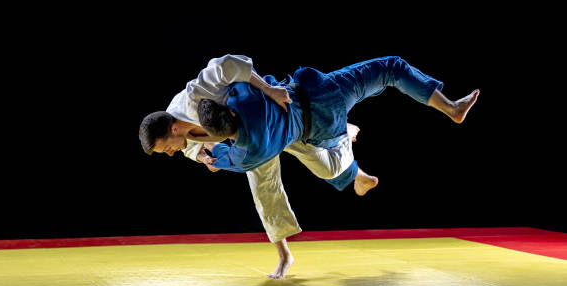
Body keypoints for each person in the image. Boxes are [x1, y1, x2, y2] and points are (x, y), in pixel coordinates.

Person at [139, 55, 363, 279]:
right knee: (264, 189)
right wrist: (202, 157)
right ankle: (285, 256)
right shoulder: (173, 122)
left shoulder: (194, 95)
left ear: (174, 129)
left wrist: (269, 90)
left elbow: (229, 63)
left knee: (321, 162)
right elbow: (189, 147)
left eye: (166, 148)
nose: (170, 153)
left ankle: (344, 133)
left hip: (264, 114)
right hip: (247, 140)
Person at [198, 56, 479, 191]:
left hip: (321, 131)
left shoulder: (244, 155)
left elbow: (217, 159)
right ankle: (451, 108)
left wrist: (207, 156)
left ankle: (350, 144)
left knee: (325, 161)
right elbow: (237, 67)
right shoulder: (242, 99)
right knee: (391, 68)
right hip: (324, 93)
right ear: (230, 113)